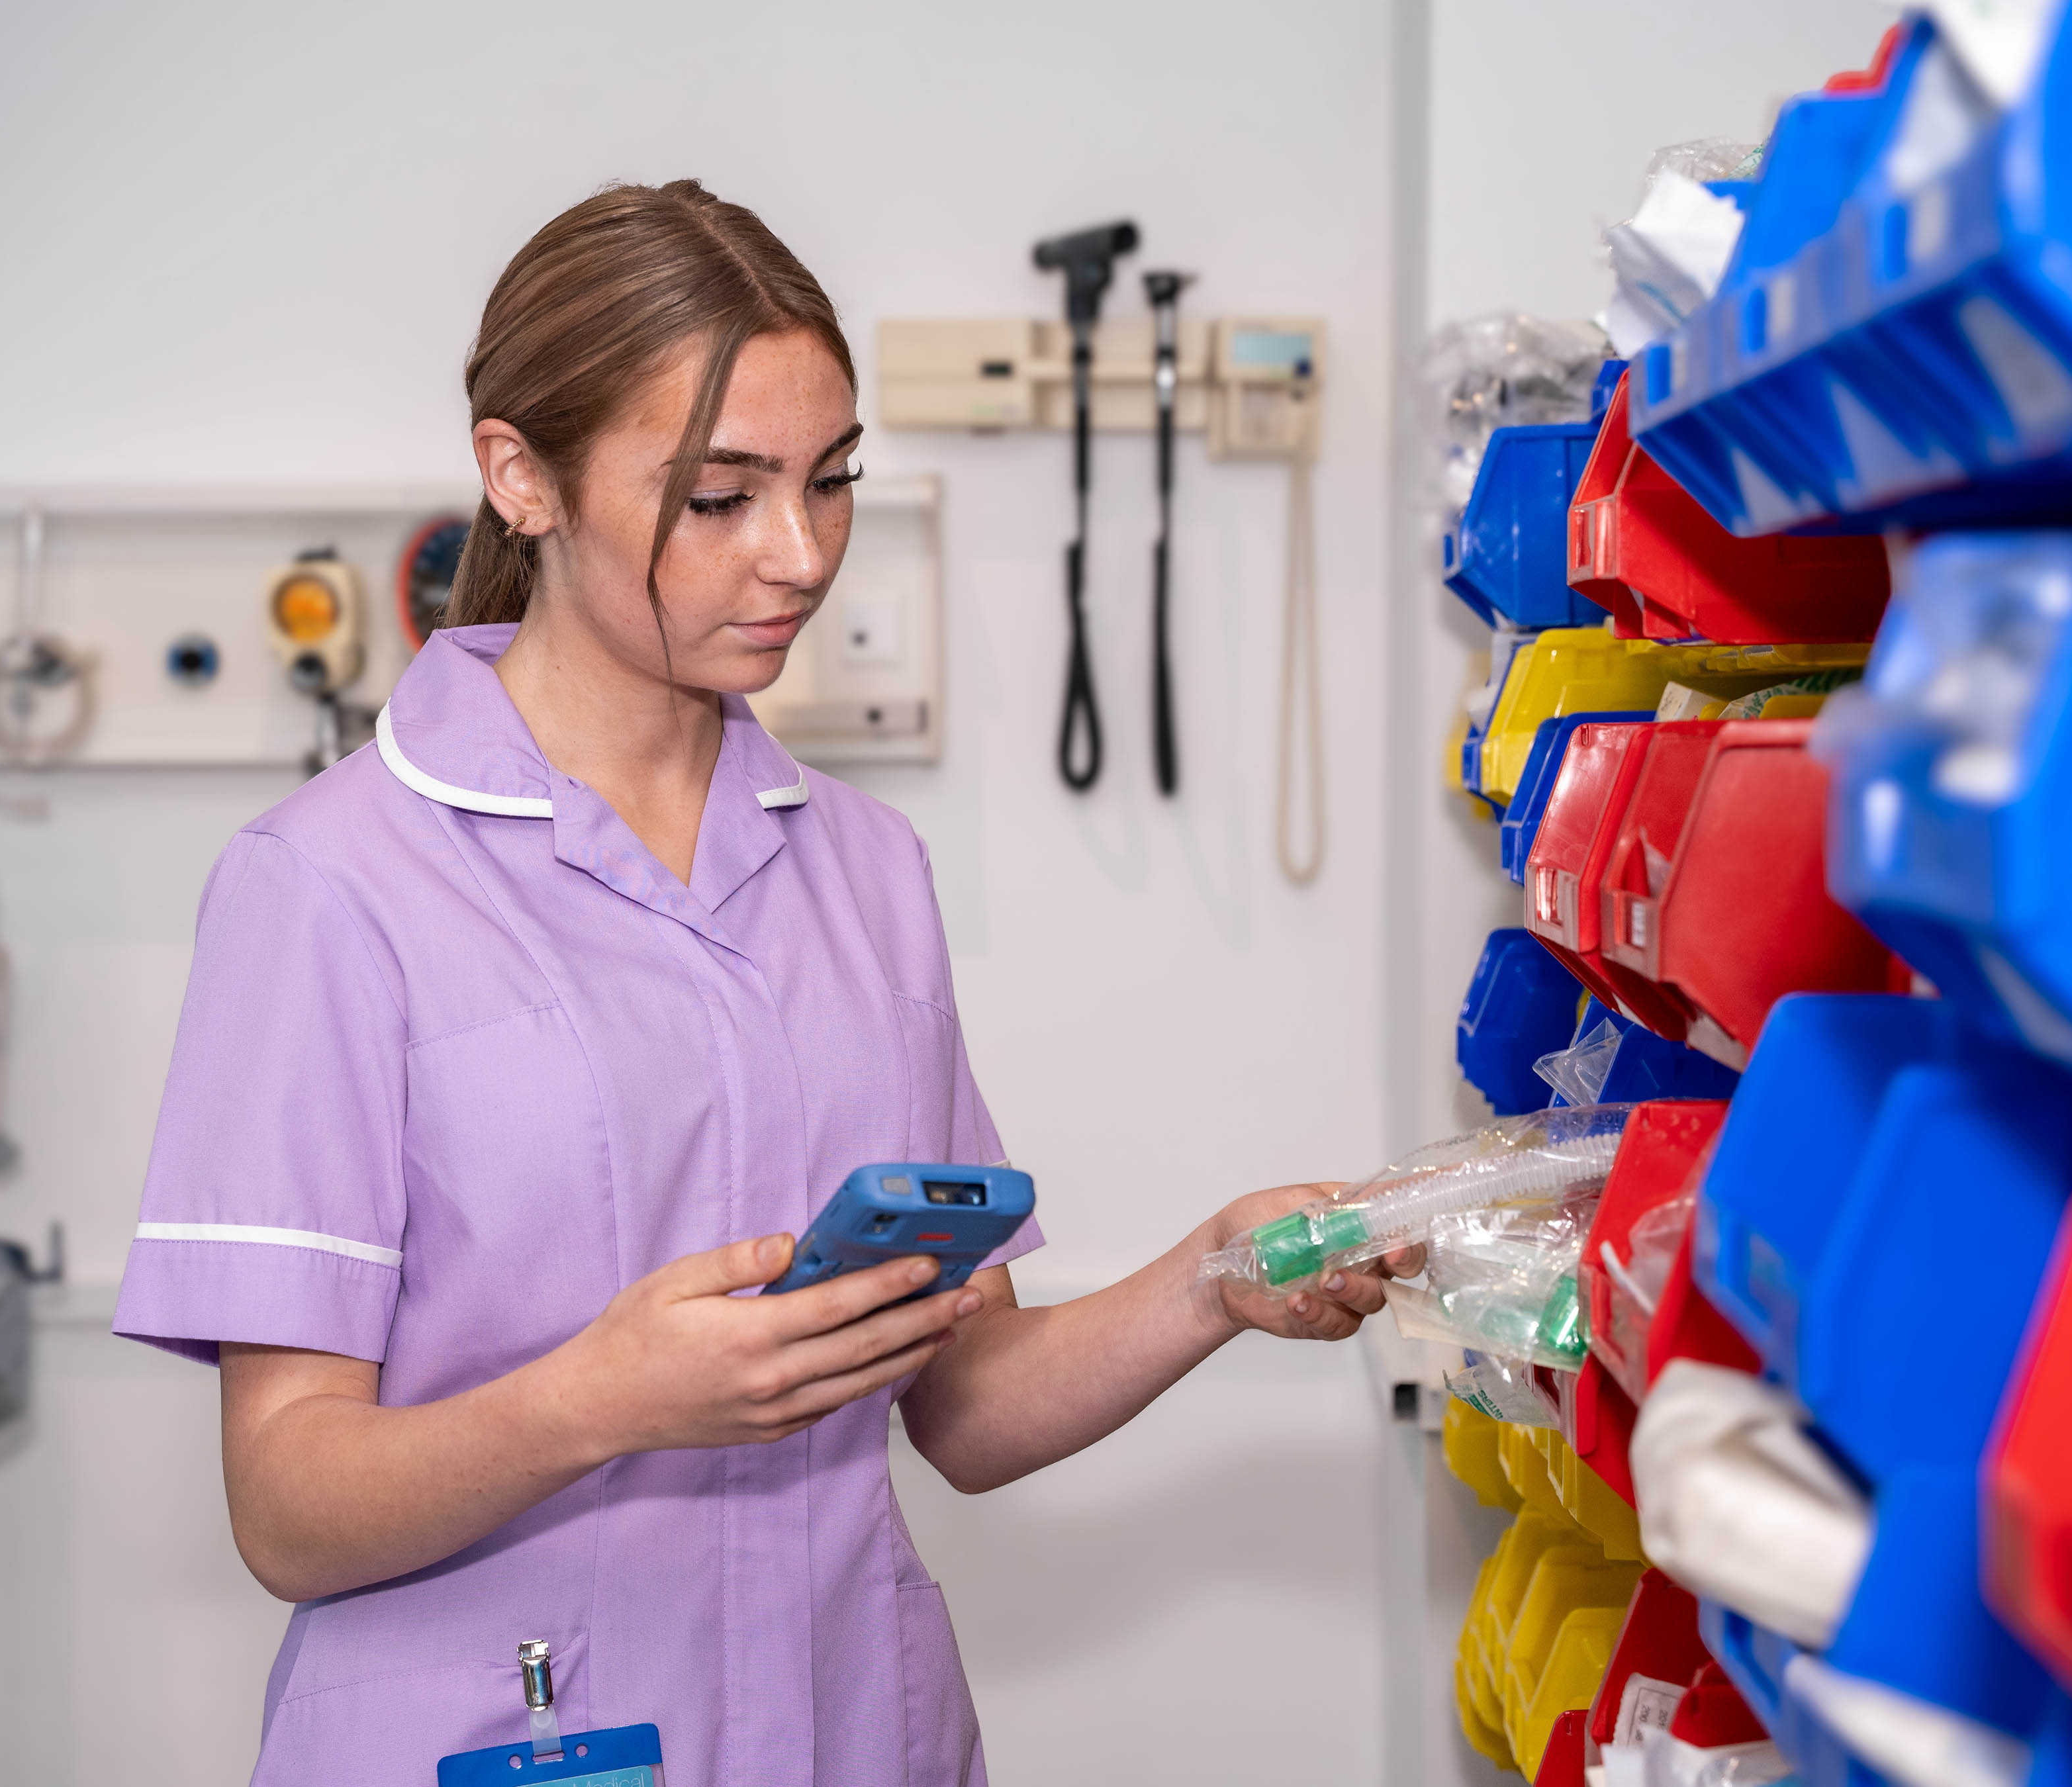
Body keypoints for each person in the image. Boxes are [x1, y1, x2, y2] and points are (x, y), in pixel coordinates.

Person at [113, 179, 1412, 1787]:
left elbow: (962, 1403)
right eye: (720, 496)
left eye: (831, 482)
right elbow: (287, 1509)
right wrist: (592, 1400)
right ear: (522, 477)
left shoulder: (864, 872)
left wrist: (1211, 1279)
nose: (798, 554)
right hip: (488, 1733)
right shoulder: (330, 886)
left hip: (852, 1728)